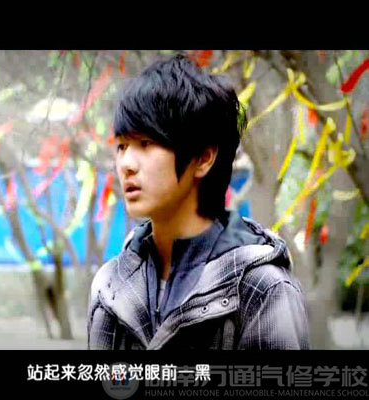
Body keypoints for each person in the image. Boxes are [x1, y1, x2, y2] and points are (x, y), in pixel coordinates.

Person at [87, 53, 310, 350]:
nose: (126, 163)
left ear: (203, 158)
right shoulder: (110, 286)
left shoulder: (262, 288)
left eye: (145, 143)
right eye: (122, 146)